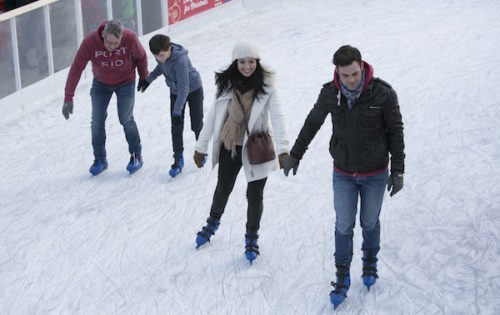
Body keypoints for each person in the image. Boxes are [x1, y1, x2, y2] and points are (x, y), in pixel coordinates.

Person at [282, 45, 405, 308]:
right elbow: (312, 122)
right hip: (344, 173)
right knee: (343, 225)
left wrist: (398, 169)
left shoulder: (382, 93)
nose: (351, 80)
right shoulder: (330, 93)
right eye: (345, 75)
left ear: (362, 66)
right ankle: (341, 275)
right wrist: (296, 153)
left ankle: (370, 262)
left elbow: (395, 131)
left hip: (375, 173)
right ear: (337, 71)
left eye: (355, 73)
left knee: (370, 222)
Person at [193, 41, 289, 264]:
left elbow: (278, 117)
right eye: (242, 62)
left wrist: (284, 150)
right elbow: (212, 117)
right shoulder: (226, 86)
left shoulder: (267, 87)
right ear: (235, 63)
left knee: (254, 196)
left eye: (251, 62)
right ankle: (212, 222)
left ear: (258, 62)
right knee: (222, 189)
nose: (247, 66)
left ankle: (251, 236)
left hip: (256, 148)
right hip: (230, 146)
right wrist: (201, 146)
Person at [62, 20, 148, 176]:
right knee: (97, 121)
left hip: (126, 82)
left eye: (116, 43)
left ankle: (136, 155)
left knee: (126, 118)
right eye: (109, 43)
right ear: (103, 35)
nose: (112, 47)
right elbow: (77, 67)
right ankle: (100, 159)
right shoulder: (90, 42)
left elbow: (141, 57)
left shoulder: (130, 38)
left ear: (122, 37)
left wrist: (144, 76)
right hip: (101, 84)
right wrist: (68, 96)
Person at [137, 34, 204, 177]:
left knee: (196, 124)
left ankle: (201, 150)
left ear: (169, 48)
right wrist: (147, 80)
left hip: (193, 90)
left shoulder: (180, 61)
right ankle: (178, 159)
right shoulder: (162, 57)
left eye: (161, 55)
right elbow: (160, 69)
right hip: (175, 92)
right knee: (176, 127)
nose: (160, 59)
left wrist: (177, 111)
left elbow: (184, 88)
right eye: (156, 56)